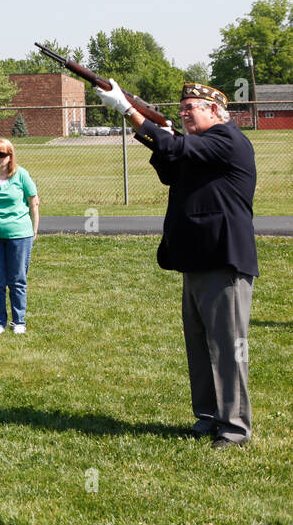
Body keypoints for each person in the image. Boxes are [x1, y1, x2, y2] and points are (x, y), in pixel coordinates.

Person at [97, 79, 258, 449]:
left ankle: (234, 427)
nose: (184, 113)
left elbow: (174, 147)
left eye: (192, 108)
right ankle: (207, 417)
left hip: (223, 259)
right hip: (197, 258)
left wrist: (127, 110)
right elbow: (171, 167)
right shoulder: (200, 147)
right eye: (182, 108)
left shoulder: (227, 139)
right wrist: (158, 134)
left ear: (215, 110)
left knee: (228, 347)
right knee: (199, 344)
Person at [0, 138, 39, 335]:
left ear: (10, 156)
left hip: (20, 235)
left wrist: (34, 230)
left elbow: (34, 203)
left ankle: (19, 321)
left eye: (1, 154)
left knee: (17, 279)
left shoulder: (21, 175)